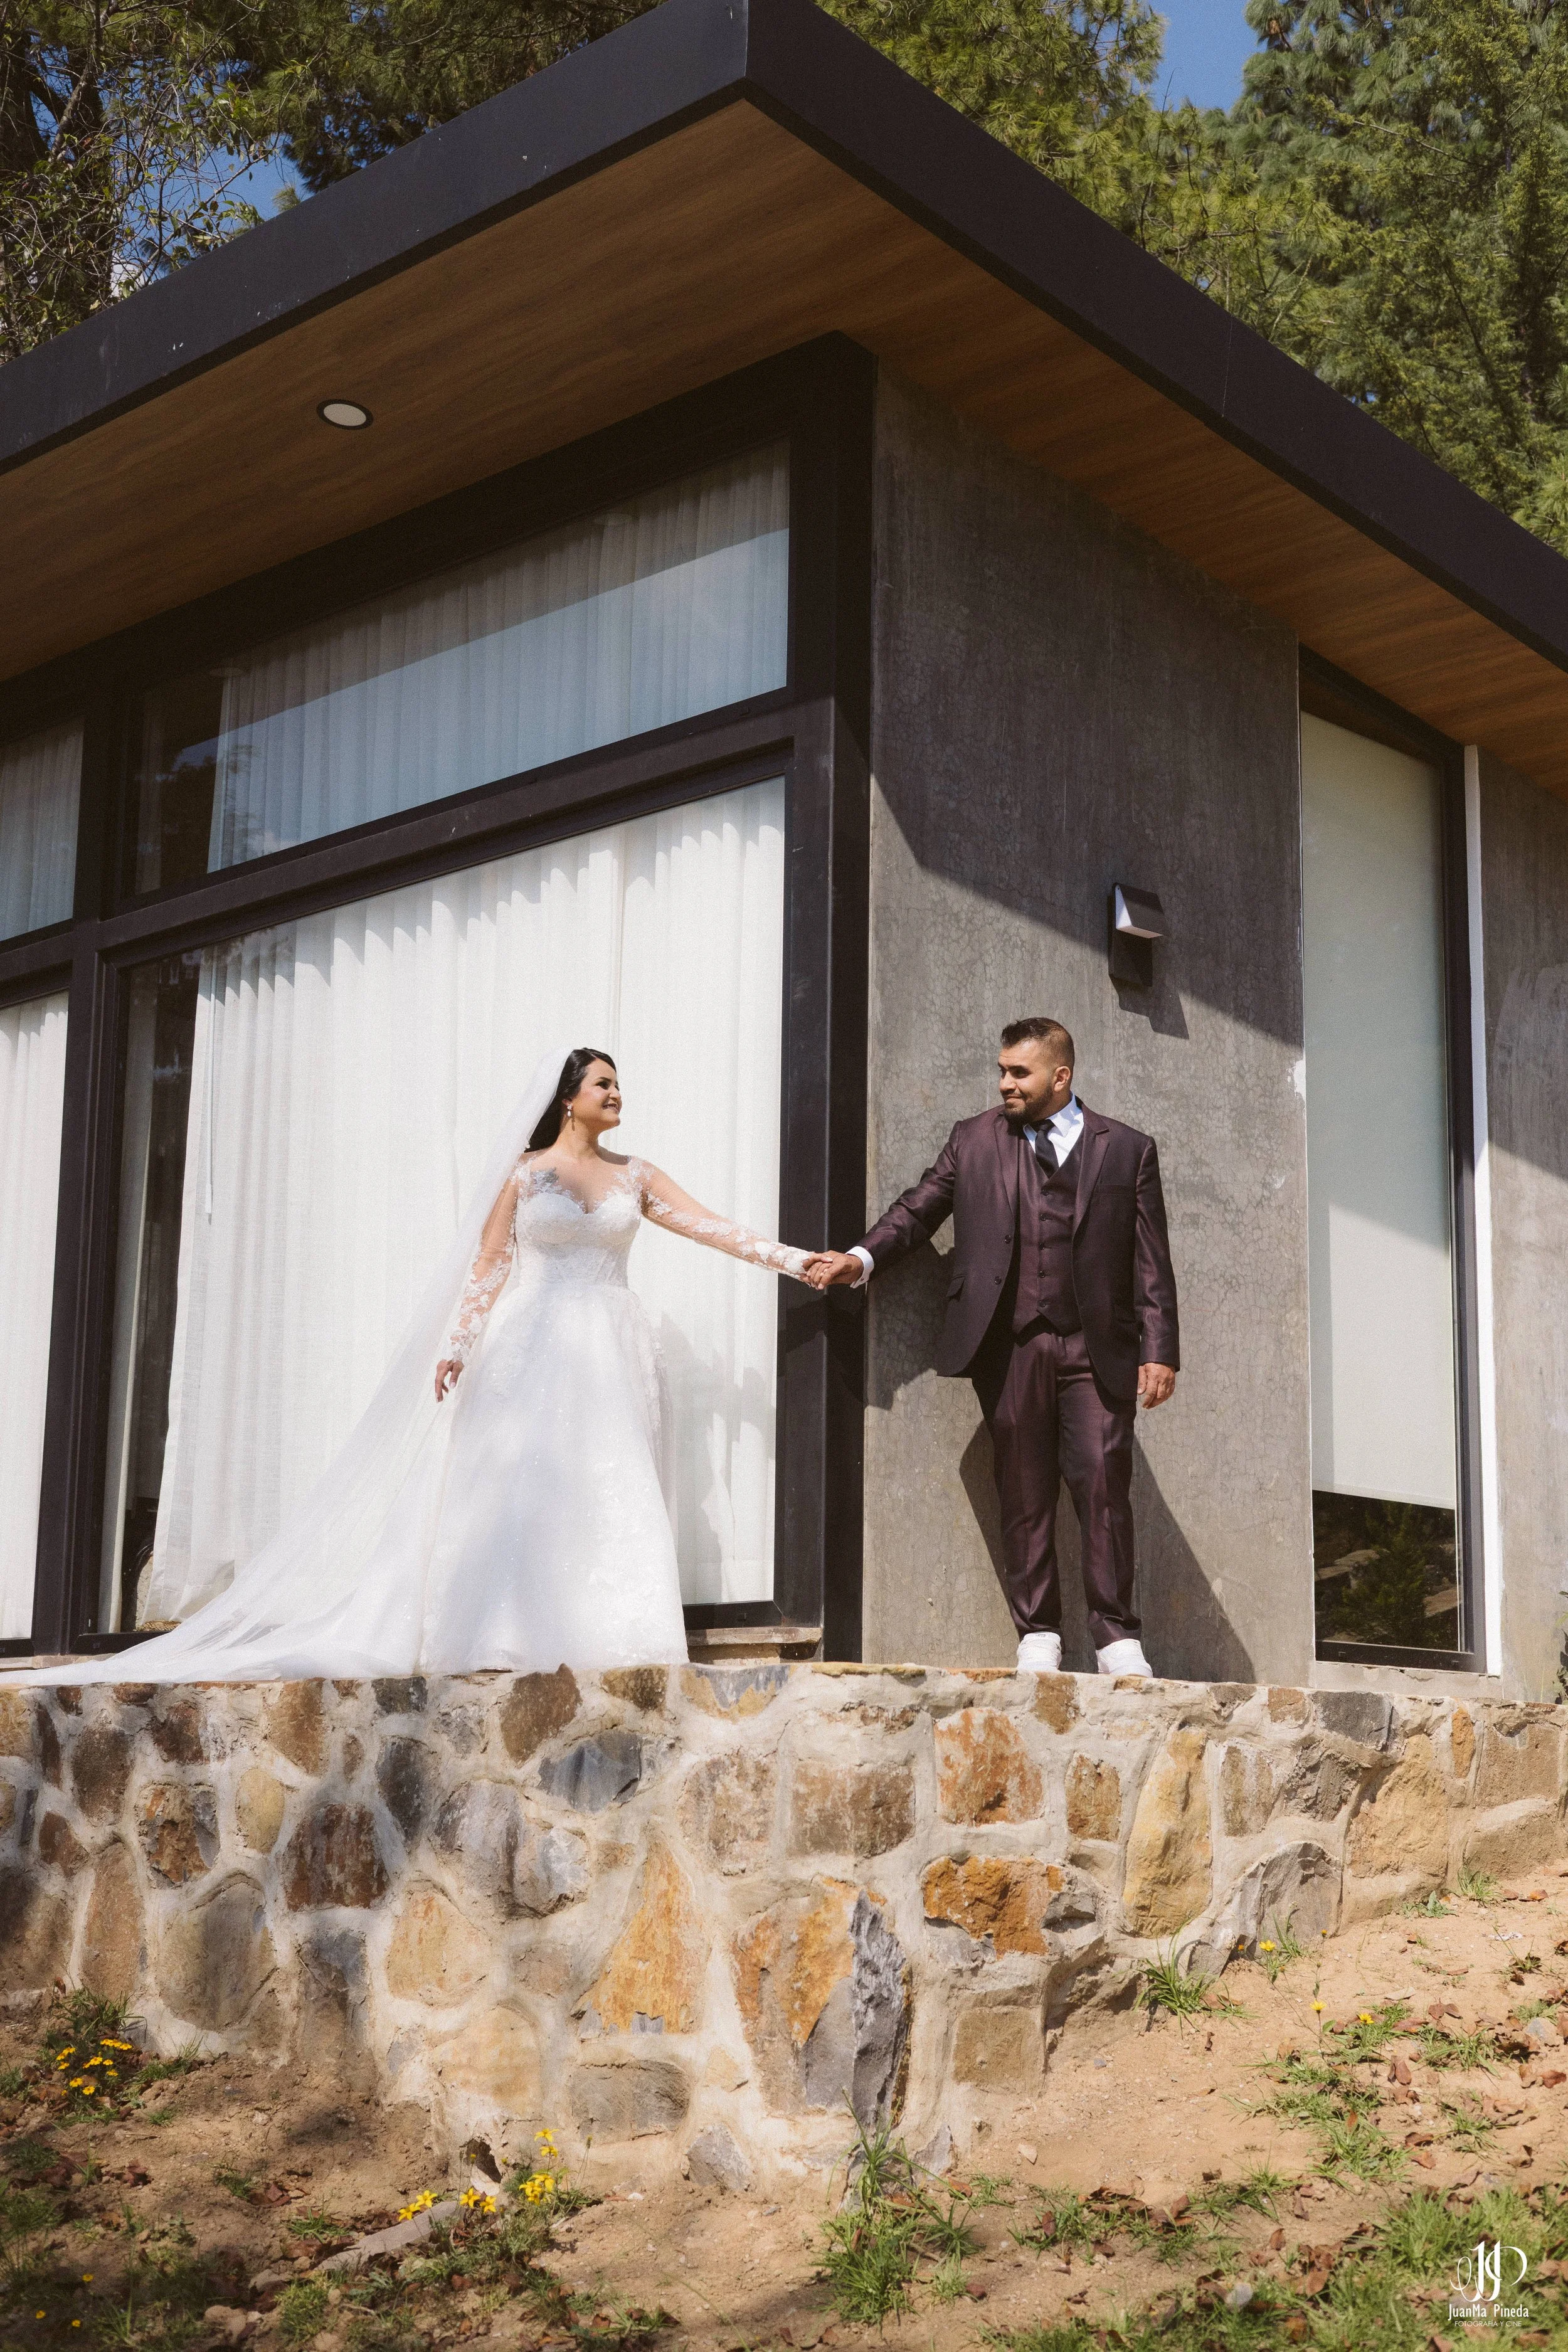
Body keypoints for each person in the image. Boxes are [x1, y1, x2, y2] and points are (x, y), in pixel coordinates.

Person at [18, 1046, 822, 1683]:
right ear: (568, 1096)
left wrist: (797, 1261)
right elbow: (488, 1266)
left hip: (612, 1342)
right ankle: (503, 1629)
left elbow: (713, 1227)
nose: (617, 1094)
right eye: (604, 1084)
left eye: (618, 1085)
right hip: (529, 1343)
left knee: (609, 1479)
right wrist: (458, 1345)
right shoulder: (525, 1174)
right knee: (516, 1484)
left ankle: (615, 1632)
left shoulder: (635, 1176)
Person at [808, 1017, 1179, 1678]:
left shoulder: (1127, 1150)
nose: (1004, 1082)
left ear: (1059, 1077)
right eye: (1002, 1070)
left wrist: (1160, 1347)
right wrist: (861, 1258)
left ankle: (1117, 1638)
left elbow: (1150, 1261)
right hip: (1007, 1345)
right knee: (1023, 1486)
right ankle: (1038, 1633)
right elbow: (919, 1209)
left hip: (1098, 1349)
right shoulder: (973, 1139)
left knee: (1103, 1480)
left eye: (1019, 1072)